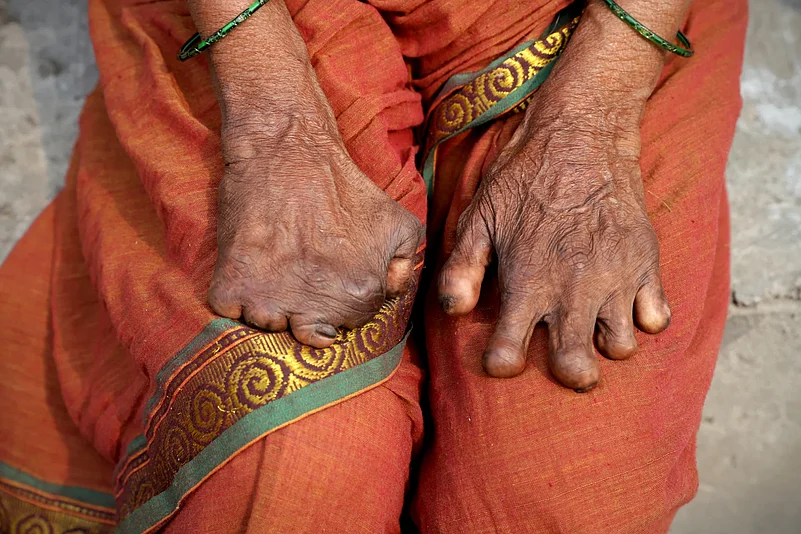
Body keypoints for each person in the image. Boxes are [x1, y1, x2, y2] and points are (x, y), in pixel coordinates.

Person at [0, 0, 746, 532]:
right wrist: (270, 117)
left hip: (599, 25)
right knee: (289, 457)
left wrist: (590, 117)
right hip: (257, 18)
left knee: (566, 483)